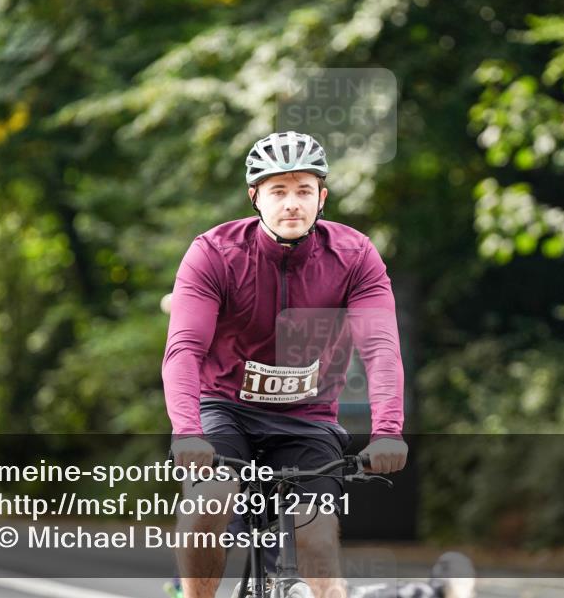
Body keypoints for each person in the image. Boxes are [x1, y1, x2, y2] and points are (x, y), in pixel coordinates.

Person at [162, 131, 407, 598]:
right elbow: (184, 350)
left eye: (303, 190)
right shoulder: (213, 254)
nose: (291, 203)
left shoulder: (355, 257)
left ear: (322, 198)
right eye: (278, 190)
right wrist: (187, 432)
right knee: (208, 500)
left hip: (308, 418)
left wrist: (389, 430)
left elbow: (381, 351)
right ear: (255, 197)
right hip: (224, 407)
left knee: (316, 541)